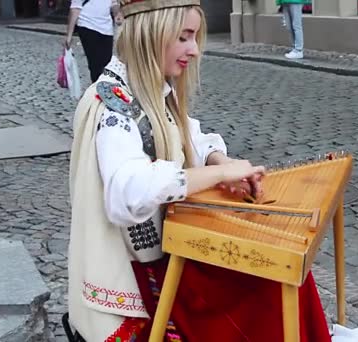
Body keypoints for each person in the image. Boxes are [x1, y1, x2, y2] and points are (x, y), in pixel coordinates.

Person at [67, 0, 332, 341]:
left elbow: (189, 134)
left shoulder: (150, 86)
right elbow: (126, 194)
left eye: (194, 37)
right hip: (144, 272)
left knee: (286, 269)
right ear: (153, 33)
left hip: (172, 248)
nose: (193, 50)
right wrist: (220, 176)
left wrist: (219, 161)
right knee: (270, 280)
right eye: (184, 37)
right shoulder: (113, 105)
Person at [64, 0, 123, 83]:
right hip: (88, 25)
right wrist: (69, 35)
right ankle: (97, 89)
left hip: (107, 28)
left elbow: (113, 3)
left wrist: (116, 13)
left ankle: (102, 88)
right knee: (96, 65)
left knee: (107, 64)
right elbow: (75, 8)